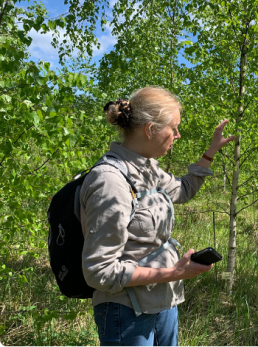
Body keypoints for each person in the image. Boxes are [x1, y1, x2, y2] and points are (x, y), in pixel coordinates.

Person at [82, 87, 237, 346]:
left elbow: (183, 190)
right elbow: (100, 272)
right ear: (151, 129)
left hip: (163, 302)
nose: (177, 135)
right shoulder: (110, 181)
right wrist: (173, 272)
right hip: (127, 312)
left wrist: (210, 153)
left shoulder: (148, 169)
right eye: (173, 128)